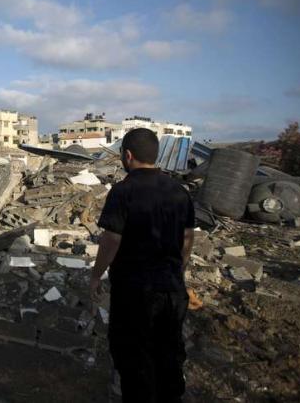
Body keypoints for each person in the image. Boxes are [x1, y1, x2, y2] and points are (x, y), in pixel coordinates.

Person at [89, 128, 195, 403]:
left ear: (127, 156)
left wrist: (96, 275)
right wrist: (177, 272)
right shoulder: (179, 191)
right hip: (171, 289)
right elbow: (187, 238)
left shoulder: (123, 191)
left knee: (134, 359)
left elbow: (111, 239)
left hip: (135, 292)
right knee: (169, 354)